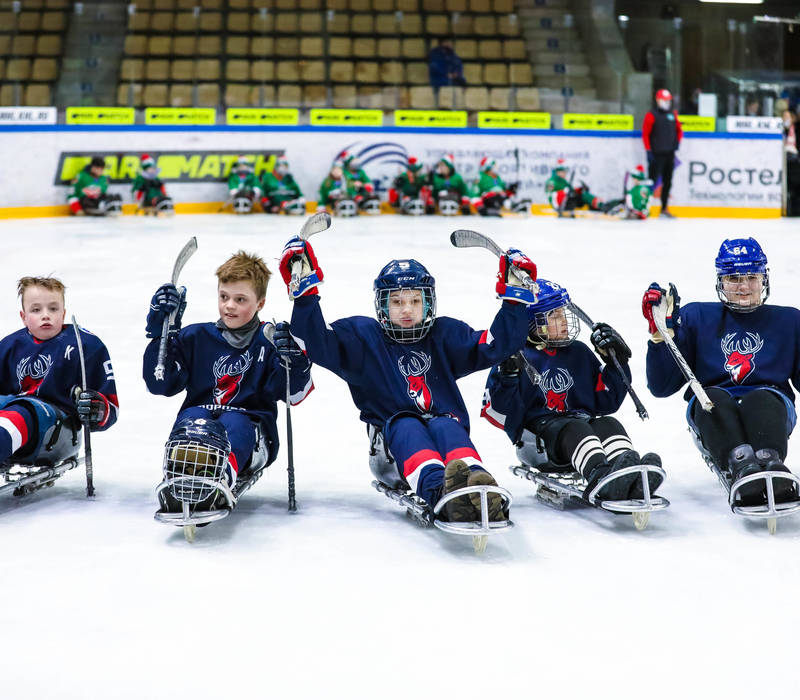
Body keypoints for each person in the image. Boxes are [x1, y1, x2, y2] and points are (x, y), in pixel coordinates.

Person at [279, 237, 538, 522]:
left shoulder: (444, 334)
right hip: (390, 445)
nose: (406, 309)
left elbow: (494, 345)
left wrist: (514, 298)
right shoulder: (363, 338)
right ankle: (442, 495)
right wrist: (304, 291)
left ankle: (476, 486)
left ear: (429, 302)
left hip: (441, 425)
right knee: (408, 426)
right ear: (382, 305)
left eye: (416, 300)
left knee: (446, 423)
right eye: (397, 301)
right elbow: (317, 341)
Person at [143, 251, 313, 512]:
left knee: (234, 421)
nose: (229, 305)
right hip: (202, 422)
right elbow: (160, 384)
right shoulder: (196, 336)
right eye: (224, 297)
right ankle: (181, 475)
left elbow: (293, 395)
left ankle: (221, 477)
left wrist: (295, 360)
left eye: (240, 299)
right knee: (193, 417)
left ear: (260, 303)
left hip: (254, 432)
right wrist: (161, 334)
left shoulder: (269, 340)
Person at [642, 238, 799, 506]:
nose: (744, 286)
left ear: (764, 278)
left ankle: (769, 461)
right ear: (720, 281)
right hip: (712, 405)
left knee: (762, 398)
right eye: (734, 278)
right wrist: (661, 336)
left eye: (751, 276)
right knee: (713, 398)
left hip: (770, 406)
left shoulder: (791, 320)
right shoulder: (696, 316)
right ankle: (743, 466)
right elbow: (661, 387)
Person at [482, 279, 662, 501]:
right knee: (575, 427)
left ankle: (627, 475)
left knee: (608, 423)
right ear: (532, 322)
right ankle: (602, 479)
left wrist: (617, 362)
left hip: (576, 433)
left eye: (563, 313)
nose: (564, 321)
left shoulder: (577, 351)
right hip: (538, 443)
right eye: (554, 316)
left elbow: (607, 401)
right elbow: (498, 414)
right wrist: (506, 377)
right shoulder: (517, 357)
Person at [0, 276, 118, 467]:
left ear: (63, 313)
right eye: (36, 310)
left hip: (58, 426)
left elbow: (111, 408)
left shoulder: (85, 344)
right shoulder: (8, 345)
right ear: (23, 317)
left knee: (20, 413)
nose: (45, 315)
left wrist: (97, 407)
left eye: (53, 309)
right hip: (16, 412)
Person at [642, 88, 682, 218]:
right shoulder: (651, 115)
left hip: (669, 153)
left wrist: (676, 143)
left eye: (668, 100)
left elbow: (679, 130)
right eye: (663, 100)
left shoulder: (673, 114)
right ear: (657, 100)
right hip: (656, 153)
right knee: (651, 181)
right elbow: (646, 134)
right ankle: (644, 207)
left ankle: (664, 208)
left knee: (668, 181)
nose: (666, 102)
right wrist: (648, 150)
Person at [545, 159, 621, 215]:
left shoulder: (562, 180)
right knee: (583, 195)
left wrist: (578, 190)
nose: (565, 173)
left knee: (583, 193)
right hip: (561, 206)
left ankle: (600, 207)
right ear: (557, 171)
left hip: (566, 203)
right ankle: (603, 207)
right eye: (563, 171)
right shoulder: (552, 181)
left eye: (565, 171)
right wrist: (566, 192)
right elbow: (553, 197)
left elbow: (568, 191)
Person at [782, 109, 799, 217]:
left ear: (792, 118)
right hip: (784, 161)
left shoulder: (797, 130)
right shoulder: (780, 130)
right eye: (784, 117)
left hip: (796, 162)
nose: (786, 119)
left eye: (788, 117)